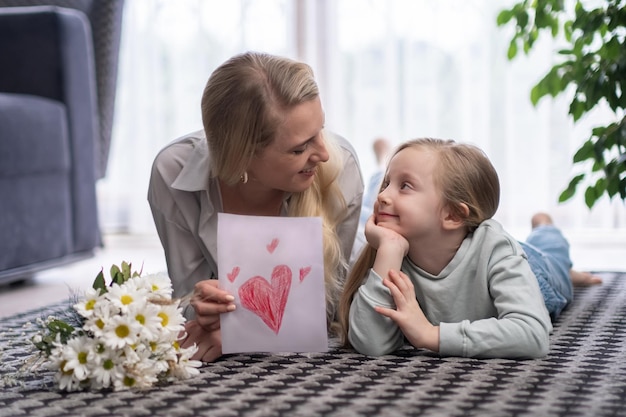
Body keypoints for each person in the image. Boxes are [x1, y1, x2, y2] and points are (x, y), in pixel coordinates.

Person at [148, 51, 364, 362]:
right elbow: (187, 301)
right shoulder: (173, 174)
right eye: (300, 148)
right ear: (243, 156)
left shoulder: (341, 168)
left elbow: (322, 312)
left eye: (321, 132)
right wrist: (204, 311)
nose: (323, 153)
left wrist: (241, 333)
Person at [338, 138, 578, 359]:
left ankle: (544, 225)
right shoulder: (391, 247)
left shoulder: (497, 250)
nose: (383, 196)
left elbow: (532, 334)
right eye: (387, 183)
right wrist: (389, 249)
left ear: (452, 214)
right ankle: (384, 162)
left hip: (536, 270)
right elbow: (370, 343)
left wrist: (430, 335)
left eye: (405, 186)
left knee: (553, 255)